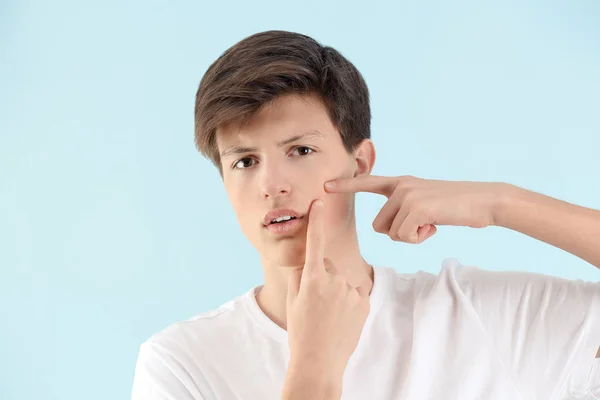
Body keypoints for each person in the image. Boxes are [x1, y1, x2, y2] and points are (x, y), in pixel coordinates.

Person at [131, 30, 600, 399]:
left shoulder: (474, 315)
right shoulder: (182, 365)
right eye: (244, 161)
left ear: (360, 163)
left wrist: (502, 203)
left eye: (300, 149)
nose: (272, 184)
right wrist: (314, 369)